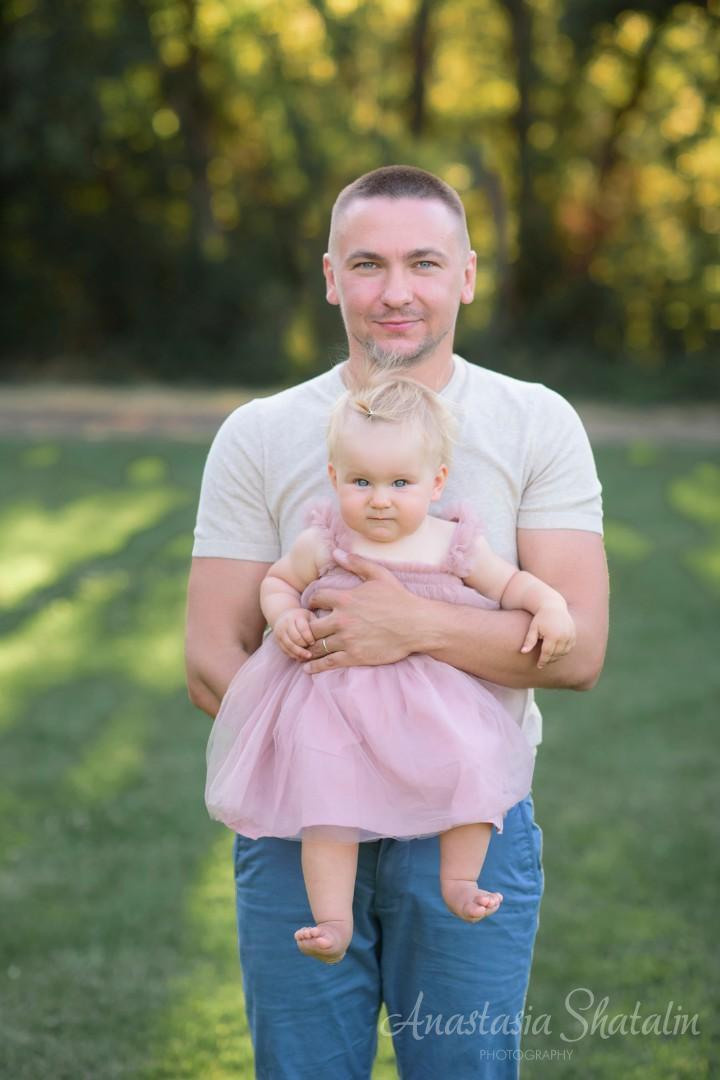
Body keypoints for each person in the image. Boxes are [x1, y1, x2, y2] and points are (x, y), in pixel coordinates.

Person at [186, 164, 608, 1078]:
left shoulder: (537, 422)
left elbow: (576, 651)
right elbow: (210, 655)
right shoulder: (260, 433)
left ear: (466, 274)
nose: (396, 292)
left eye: (424, 262)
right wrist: (332, 756)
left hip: (467, 815)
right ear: (332, 277)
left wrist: (407, 627)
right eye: (368, 265)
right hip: (302, 824)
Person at [204, 375, 577, 966]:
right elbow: (278, 581)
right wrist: (284, 614)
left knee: (472, 765)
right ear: (334, 480)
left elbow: (511, 584)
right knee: (325, 804)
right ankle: (331, 919)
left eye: (400, 482)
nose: (380, 498)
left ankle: (459, 881)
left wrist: (548, 603)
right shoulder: (325, 541)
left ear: (437, 482)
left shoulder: (452, 543)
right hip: (333, 706)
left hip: (433, 704)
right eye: (362, 481)